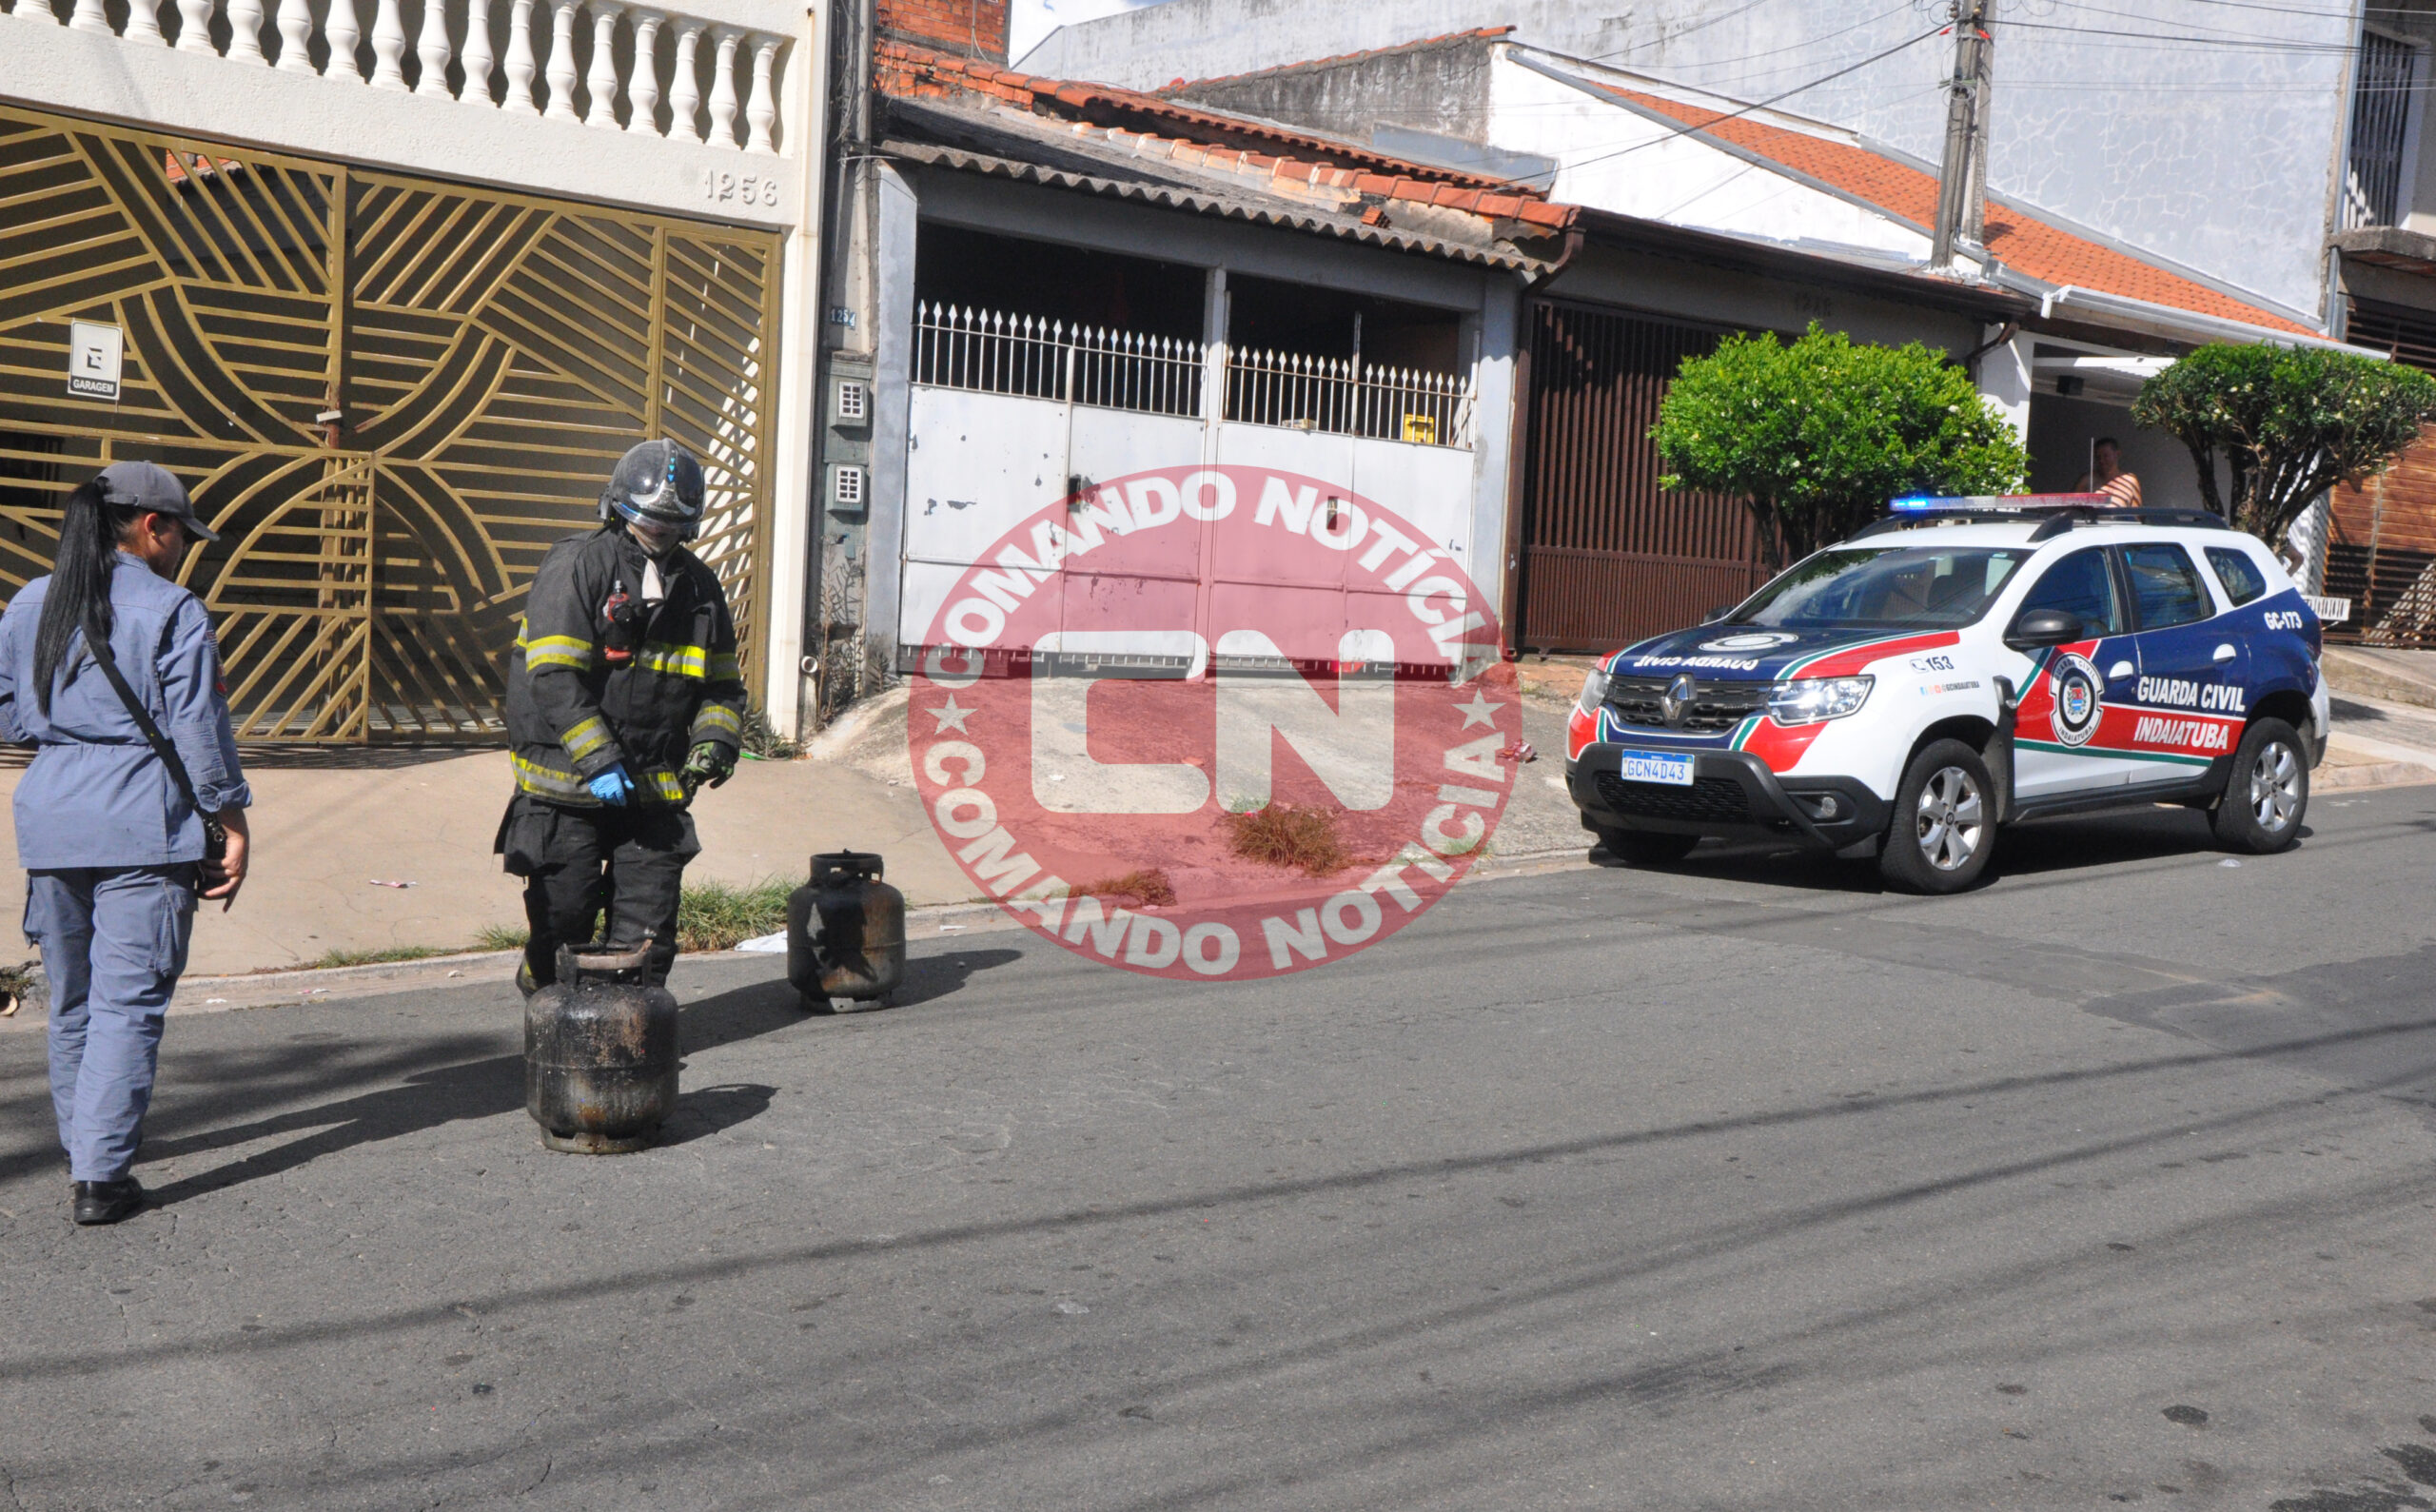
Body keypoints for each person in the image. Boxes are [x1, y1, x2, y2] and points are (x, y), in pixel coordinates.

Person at [0, 462, 250, 1227]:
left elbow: (10, 718)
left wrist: (69, 726)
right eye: (179, 532)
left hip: (52, 818)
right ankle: (102, 1179)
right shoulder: (173, 608)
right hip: (144, 822)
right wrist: (233, 822)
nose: (182, 547)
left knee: (72, 1002)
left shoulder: (31, 601)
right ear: (152, 526)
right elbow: (199, 734)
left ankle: (90, 1152)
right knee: (127, 1002)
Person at [495, 439, 747, 992]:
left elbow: (723, 686)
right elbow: (554, 678)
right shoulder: (578, 564)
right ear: (617, 509)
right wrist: (600, 759)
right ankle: (548, 998)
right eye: (649, 520)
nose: (659, 531)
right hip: (567, 783)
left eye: (671, 523)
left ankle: (629, 1035)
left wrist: (715, 744)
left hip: (656, 786)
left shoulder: (702, 589)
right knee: (565, 920)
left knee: (647, 935)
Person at [2074, 436, 2143, 507]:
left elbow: (2137, 513)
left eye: (2105, 456)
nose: (2101, 460)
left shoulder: (2130, 480)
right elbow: (2071, 506)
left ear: (2117, 454)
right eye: (2098, 457)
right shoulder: (2087, 480)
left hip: (2119, 518)